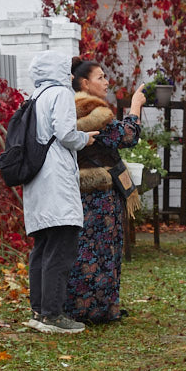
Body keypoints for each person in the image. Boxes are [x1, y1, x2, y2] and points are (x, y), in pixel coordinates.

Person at [22, 50, 98, 334]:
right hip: (56, 180)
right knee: (61, 249)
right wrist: (85, 139)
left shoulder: (36, 96)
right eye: (66, 68)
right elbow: (66, 134)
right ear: (58, 70)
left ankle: (39, 312)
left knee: (42, 248)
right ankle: (53, 315)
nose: (70, 74)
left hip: (37, 179)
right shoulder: (61, 94)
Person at [65, 57, 146, 323]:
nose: (106, 81)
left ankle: (90, 308)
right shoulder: (92, 110)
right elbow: (126, 136)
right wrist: (135, 107)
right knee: (100, 250)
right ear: (85, 83)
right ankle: (97, 310)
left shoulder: (69, 107)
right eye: (100, 77)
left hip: (82, 190)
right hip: (97, 191)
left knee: (88, 250)